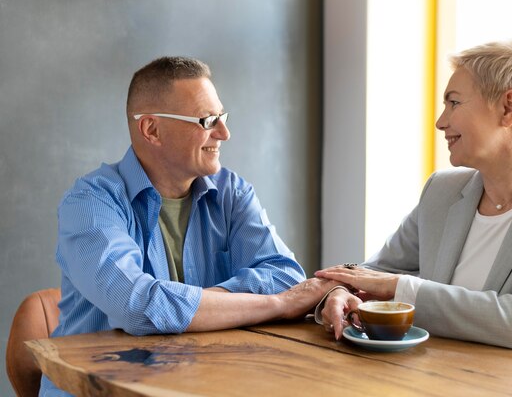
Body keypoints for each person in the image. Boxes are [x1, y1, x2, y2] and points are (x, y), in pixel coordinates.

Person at [41, 56, 338, 396]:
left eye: (221, 117)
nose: (224, 133)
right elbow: (137, 307)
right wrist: (278, 304)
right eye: (207, 120)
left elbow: (285, 275)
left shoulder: (232, 192)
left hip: (198, 383)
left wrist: (194, 304)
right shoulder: (90, 202)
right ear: (151, 129)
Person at [315, 40, 512, 353]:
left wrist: (399, 288)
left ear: (508, 108)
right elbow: (373, 275)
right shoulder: (442, 191)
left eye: (453, 103)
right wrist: (343, 291)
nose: (441, 121)